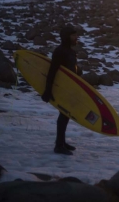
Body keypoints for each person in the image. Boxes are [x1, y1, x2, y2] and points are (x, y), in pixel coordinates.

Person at [42, 25, 81, 155]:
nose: (76, 37)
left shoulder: (70, 51)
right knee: (63, 115)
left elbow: (70, 69)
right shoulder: (59, 51)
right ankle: (59, 145)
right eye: (73, 35)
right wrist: (48, 90)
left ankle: (62, 142)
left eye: (76, 35)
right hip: (62, 88)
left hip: (70, 87)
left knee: (66, 114)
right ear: (66, 37)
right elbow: (52, 71)